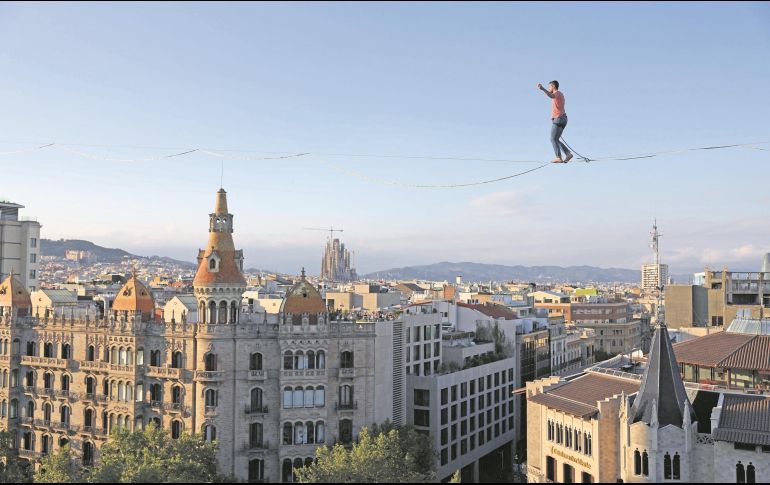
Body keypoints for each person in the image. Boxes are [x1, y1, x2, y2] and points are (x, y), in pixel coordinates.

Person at [537, 80, 573, 163]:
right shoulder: (560, 94)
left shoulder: (557, 93)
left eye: (549, 86)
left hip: (559, 119)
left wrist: (542, 88)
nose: (549, 88)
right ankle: (568, 154)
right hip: (563, 119)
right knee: (556, 139)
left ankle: (558, 157)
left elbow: (551, 95)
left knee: (552, 139)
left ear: (553, 86)